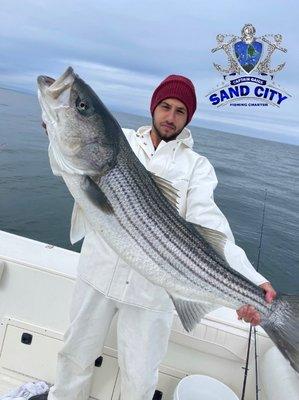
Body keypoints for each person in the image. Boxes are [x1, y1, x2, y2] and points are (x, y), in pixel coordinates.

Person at [33, 75, 276, 400]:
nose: (170, 116)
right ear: (154, 106)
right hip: (97, 275)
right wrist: (57, 136)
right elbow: (68, 168)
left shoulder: (197, 167)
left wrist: (253, 282)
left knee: (140, 379)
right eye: (165, 106)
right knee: (73, 358)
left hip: (155, 292)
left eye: (180, 111)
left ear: (187, 118)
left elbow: (213, 229)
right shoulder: (122, 143)